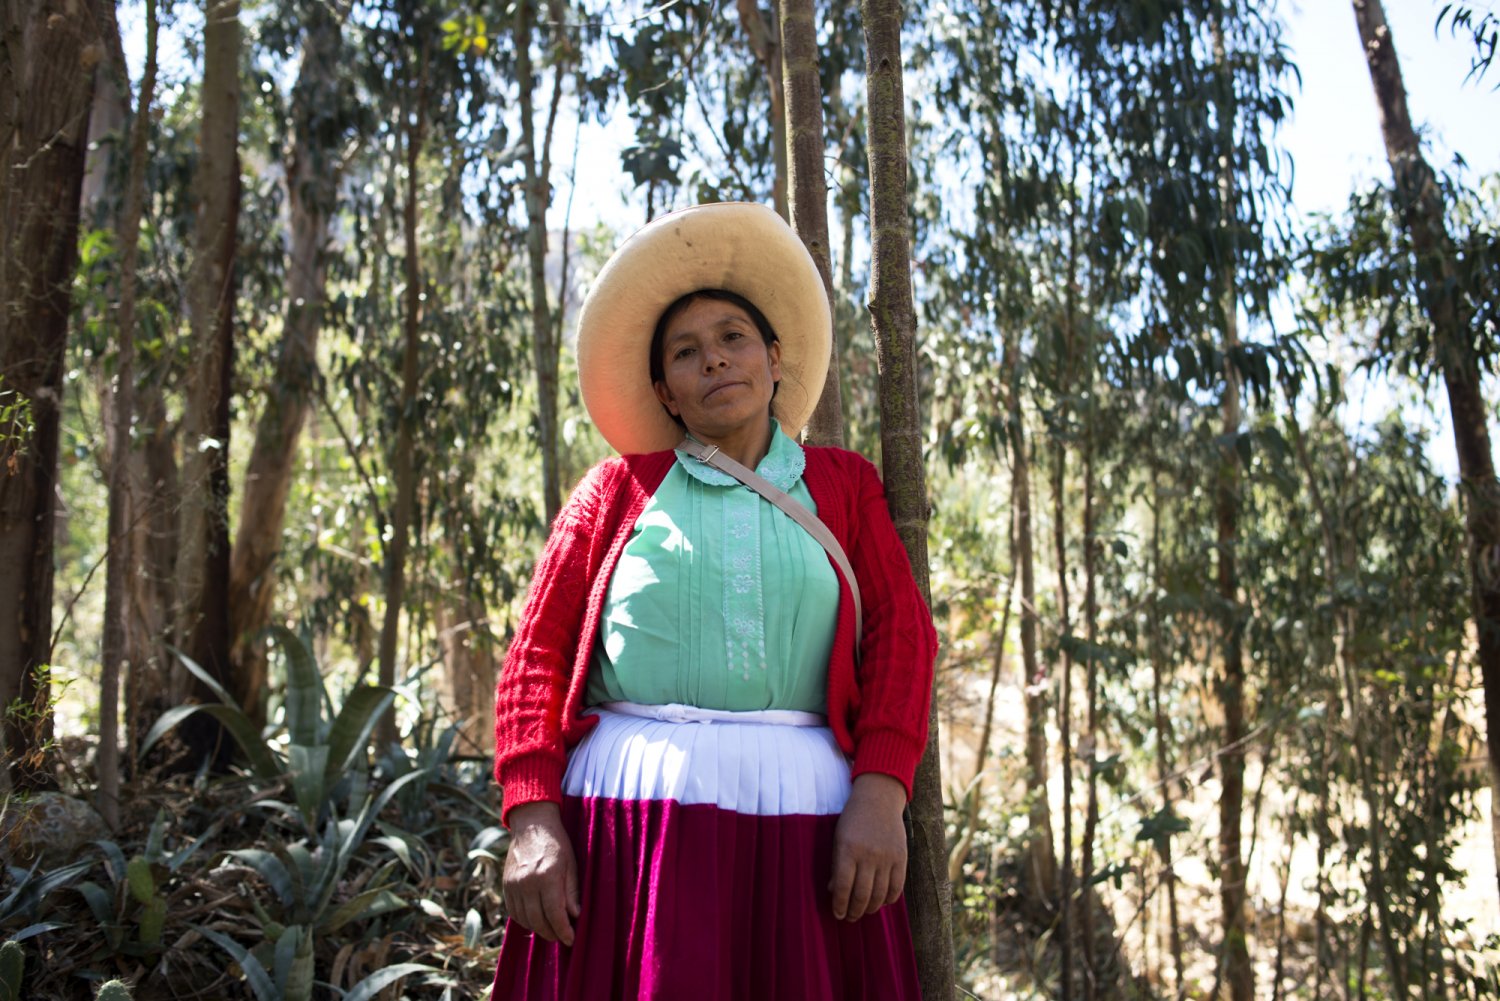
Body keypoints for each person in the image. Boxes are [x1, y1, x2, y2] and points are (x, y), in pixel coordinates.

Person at [491, 202, 937, 1000]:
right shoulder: (616, 491)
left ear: (774, 356)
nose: (715, 361)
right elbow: (537, 656)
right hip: (629, 833)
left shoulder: (844, 486)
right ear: (664, 387)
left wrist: (882, 792)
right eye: (687, 352)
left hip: (806, 827)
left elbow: (903, 637)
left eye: (734, 338)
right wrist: (532, 815)